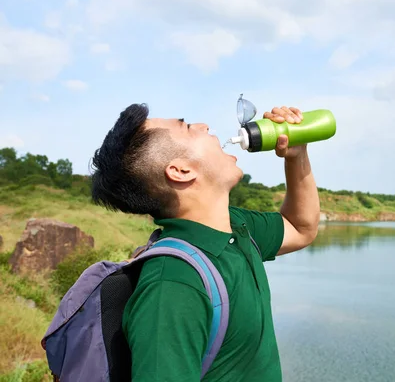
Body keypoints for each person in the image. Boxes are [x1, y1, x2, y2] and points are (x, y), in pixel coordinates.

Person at [90, 103, 321, 382]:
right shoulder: (173, 286)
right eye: (187, 127)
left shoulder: (235, 226)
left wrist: (297, 156)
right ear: (181, 170)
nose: (204, 126)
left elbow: (301, 228)